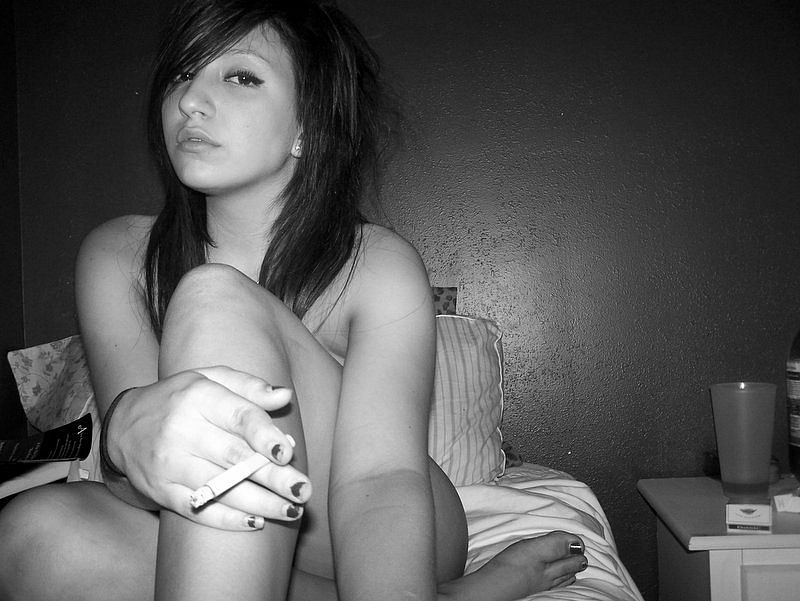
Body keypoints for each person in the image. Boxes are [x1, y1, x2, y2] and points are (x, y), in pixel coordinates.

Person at [0, 1, 588, 600]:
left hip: (381, 521)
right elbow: (142, 483)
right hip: (218, 523)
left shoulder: (376, 265)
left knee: (215, 301)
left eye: (241, 76)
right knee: (32, 536)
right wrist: (123, 438)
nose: (190, 100)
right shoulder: (118, 256)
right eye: (183, 72)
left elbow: (381, 479)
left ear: (307, 125)